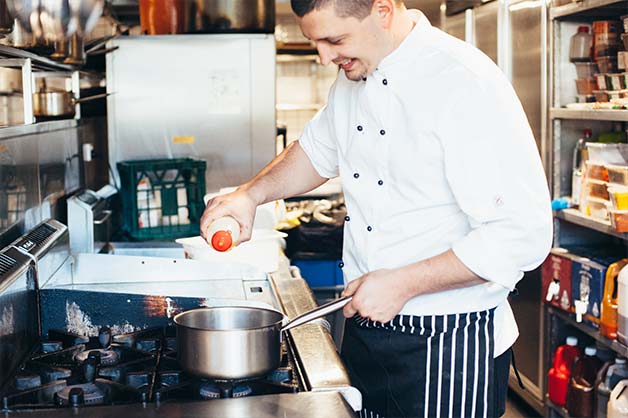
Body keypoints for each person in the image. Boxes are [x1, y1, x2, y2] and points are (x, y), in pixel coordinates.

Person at [200, 0, 553, 416]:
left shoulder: (464, 82)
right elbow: (315, 153)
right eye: (315, 42)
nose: (325, 57)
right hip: (366, 325)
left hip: (449, 341)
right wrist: (250, 195)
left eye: (335, 39)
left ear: (383, 10)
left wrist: (402, 284)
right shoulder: (353, 79)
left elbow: (521, 234)